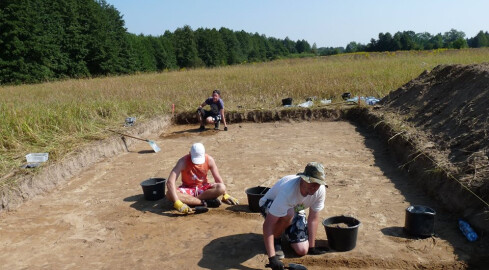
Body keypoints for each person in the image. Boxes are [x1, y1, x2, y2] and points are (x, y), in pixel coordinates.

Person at [259, 162, 328, 270]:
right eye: (312, 182)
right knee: (289, 213)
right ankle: (277, 239)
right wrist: (272, 258)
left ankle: (286, 228)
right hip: (270, 203)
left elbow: (313, 218)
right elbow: (268, 224)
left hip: (296, 207)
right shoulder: (288, 191)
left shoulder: (320, 190)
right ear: (303, 179)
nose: (315, 187)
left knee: (302, 250)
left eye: (318, 183)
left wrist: (312, 247)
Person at [166, 143, 238, 214]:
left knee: (221, 187)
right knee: (169, 194)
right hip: (188, 189)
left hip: (203, 189)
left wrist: (225, 194)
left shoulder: (209, 159)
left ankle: (191, 201)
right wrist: (177, 203)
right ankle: (203, 202)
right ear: (189, 153)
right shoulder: (183, 161)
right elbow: (170, 182)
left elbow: (217, 178)